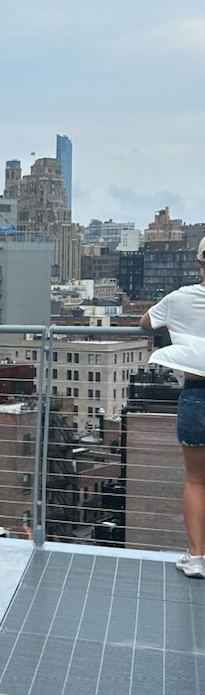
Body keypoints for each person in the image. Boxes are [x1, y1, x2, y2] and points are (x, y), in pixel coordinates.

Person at [141, 236, 205, 577]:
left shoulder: (181, 298)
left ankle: (197, 558)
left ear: (199, 263)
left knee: (197, 480)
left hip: (198, 393)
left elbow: (146, 322)